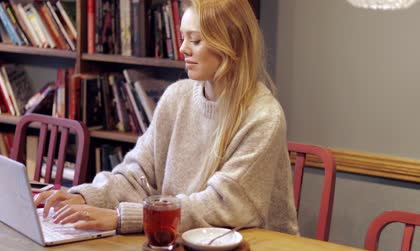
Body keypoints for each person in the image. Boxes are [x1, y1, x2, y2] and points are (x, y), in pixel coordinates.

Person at [34, 0, 299, 235]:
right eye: (182, 38)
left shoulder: (263, 117)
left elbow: (223, 206)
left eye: (195, 40)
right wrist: (84, 197)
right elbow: (137, 175)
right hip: (177, 240)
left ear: (231, 45)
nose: (183, 48)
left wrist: (121, 217)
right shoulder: (177, 97)